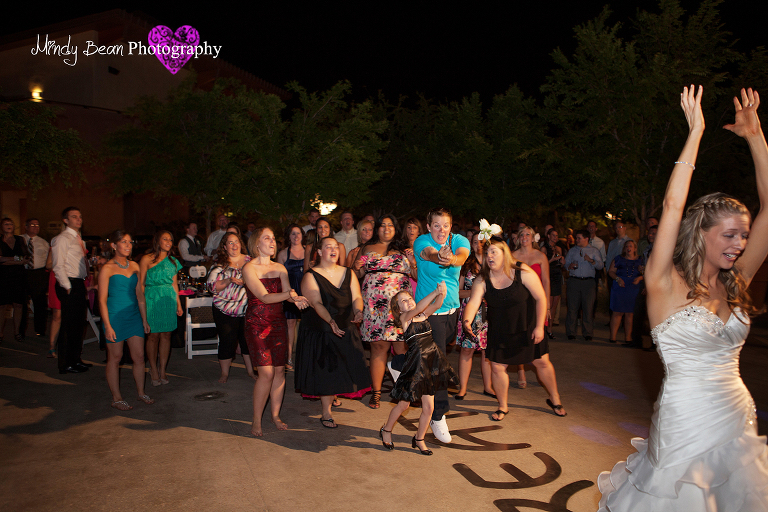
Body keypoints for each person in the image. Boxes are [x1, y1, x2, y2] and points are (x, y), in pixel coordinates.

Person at [598, 86, 768, 510]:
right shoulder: (663, 283)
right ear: (702, 234)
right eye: (730, 235)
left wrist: (756, 138)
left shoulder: (736, 281)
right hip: (685, 422)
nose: (740, 244)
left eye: (745, 235)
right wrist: (695, 133)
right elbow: (673, 205)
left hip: (737, 415)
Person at [463, 237, 566, 420]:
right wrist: (467, 321)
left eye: (494, 252)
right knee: (497, 367)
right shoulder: (482, 279)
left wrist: (540, 327)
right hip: (500, 330)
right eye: (487, 253)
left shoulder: (522, 271)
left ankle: (555, 398)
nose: (489, 256)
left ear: (505, 254)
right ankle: (502, 406)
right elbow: (473, 302)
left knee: (541, 362)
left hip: (527, 325)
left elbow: (541, 298)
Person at [294, 237, 371, 428]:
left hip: (345, 324)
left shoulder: (348, 272)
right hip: (321, 327)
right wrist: (330, 322)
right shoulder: (310, 276)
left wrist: (359, 311)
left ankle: (333, 395)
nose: (333, 250)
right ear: (320, 252)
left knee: (342, 366)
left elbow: (357, 297)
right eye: (328, 247)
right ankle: (326, 412)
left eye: (335, 247)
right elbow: (316, 302)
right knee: (327, 370)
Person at [243, 227, 309, 437]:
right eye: (267, 238)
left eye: (273, 238)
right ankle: (256, 420)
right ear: (256, 243)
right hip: (257, 324)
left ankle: (275, 415)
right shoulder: (249, 268)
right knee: (267, 373)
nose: (272, 242)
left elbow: (287, 293)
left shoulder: (280, 267)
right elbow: (264, 297)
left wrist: (296, 298)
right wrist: (289, 295)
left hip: (278, 323)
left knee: (280, 371)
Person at [412, 208, 470, 443]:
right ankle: (438, 415)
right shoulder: (421, 242)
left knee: (432, 357)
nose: (441, 230)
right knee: (439, 363)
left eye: (445, 225)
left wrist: (452, 259)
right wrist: (440, 257)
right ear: (429, 226)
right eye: (436, 225)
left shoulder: (459, 240)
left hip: (452, 311)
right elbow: (429, 255)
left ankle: (400, 365)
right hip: (429, 312)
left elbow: (462, 257)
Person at [379, 283, 458, 455]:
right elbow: (420, 306)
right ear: (398, 309)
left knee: (428, 408)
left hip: (429, 365)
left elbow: (437, 305)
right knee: (403, 404)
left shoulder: (422, 315)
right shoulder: (405, 318)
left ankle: (419, 438)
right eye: (403, 301)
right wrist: (435, 291)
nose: (408, 302)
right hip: (414, 367)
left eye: (409, 298)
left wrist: (442, 293)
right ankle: (386, 430)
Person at [356, 214, 414, 409]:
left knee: (401, 347)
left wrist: (413, 261)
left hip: (399, 305)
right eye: (382, 225)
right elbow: (358, 274)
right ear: (377, 229)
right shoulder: (366, 248)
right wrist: (356, 267)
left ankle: (404, 391)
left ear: (396, 229)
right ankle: (376, 392)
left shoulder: (405, 249)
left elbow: (415, 274)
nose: (386, 228)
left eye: (390, 225)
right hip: (374, 304)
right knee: (378, 347)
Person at [98, 230, 154, 411]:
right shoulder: (107, 268)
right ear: (114, 245)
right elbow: (102, 300)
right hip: (115, 317)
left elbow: (140, 296)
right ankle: (116, 398)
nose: (128, 245)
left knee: (139, 357)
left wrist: (144, 320)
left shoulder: (135, 266)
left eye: (130, 242)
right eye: (124, 242)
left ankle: (141, 392)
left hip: (134, 316)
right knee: (115, 358)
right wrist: (107, 325)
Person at [207, 232, 254, 383]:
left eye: (236, 242)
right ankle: (224, 373)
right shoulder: (220, 263)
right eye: (230, 243)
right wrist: (229, 280)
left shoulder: (250, 261)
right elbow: (211, 287)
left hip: (247, 308)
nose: (234, 245)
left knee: (247, 340)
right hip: (224, 309)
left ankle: (251, 371)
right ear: (225, 247)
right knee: (227, 340)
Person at [139, 231, 183, 386]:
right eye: (165, 239)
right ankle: (153, 368)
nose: (168, 242)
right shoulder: (146, 259)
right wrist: (142, 304)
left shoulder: (173, 261)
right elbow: (141, 284)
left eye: (170, 239)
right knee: (153, 335)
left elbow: (174, 284)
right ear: (157, 241)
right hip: (152, 298)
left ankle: (162, 369)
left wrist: (178, 304)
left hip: (168, 299)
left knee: (166, 335)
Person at [454, 231, 494, 399]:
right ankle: (463, 388)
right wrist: (476, 292)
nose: (479, 245)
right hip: (469, 311)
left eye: (482, 241)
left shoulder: (493, 262)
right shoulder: (466, 264)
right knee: (466, 350)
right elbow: (458, 291)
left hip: (489, 311)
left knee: (487, 351)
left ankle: (488, 386)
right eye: (476, 242)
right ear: (471, 244)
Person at [512, 226, 552, 389]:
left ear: (533, 237)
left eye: (527, 234)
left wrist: (547, 305)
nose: (524, 237)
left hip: (537, 302)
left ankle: (541, 367)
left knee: (537, 336)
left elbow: (546, 281)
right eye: (521, 234)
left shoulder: (541, 256)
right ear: (518, 238)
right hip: (519, 302)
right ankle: (520, 370)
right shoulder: (512, 256)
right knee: (520, 336)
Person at [51, 207, 90, 374]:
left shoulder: (78, 239)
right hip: (69, 283)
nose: (78, 219)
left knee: (78, 324)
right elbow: (58, 265)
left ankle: (75, 359)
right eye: (74, 217)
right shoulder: (62, 239)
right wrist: (67, 287)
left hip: (79, 282)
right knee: (68, 325)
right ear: (66, 220)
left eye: (80, 216)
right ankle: (66, 363)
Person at [563, 230, 604, 340]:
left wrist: (591, 261)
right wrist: (568, 266)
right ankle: (571, 332)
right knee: (572, 308)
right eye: (576, 238)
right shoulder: (572, 251)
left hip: (588, 283)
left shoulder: (594, 251)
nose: (576, 240)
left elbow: (600, 265)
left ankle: (588, 333)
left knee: (588, 308)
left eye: (579, 238)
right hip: (574, 281)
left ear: (586, 239)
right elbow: (566, 264)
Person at [277, 224, 305, 371]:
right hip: (291, 291)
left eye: (298, 233)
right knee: (290, 324)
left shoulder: (309, 251)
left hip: (306, 290)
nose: (296, 236)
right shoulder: (283, 254)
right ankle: (288, 358)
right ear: (288, 236)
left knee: (307, 323)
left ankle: (306, 357)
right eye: (293, 233)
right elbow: (278, 277)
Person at [607, 240, 643, 344]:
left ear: (635, 248)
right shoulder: (618, 258)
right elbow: (611, 271)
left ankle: (628, 338)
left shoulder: (640, 260)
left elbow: (647, 273)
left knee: (630, 313)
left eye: (631, 246)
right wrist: (617, 279)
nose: (628, 248)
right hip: (620, 286)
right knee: (617, 312)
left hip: (633, 287)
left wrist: (640, 277)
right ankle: (613, 337)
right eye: (627, 246)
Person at [0, 218, 30, 342]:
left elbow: (26, 258)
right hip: (3, 276)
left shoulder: (20, 239)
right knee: (2, 305)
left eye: (11, 224)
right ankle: (0, 333)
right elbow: (0, 259)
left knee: (18, 304)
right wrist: (17, 260)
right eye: (6, 224)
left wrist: (8, 259)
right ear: (1, 226)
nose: (9, 226)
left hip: (19, 276)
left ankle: (17, 332)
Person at [20, 218, 49, 339]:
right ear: (26, 226)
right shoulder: (20, 239)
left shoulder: (43, 242)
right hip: (23, 272)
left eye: (37, 225)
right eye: (32, 225)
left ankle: (40, 329)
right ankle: (20, 331)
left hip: (39, 273)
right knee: (21, 303)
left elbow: (48, 259)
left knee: (40, 303)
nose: (36, 227)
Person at [540, 227, 564, 329]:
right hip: (548, 276)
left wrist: (562, 262)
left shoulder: (558, 248)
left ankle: (550, 329)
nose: (555, 237)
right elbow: (542, 265)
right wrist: (552, 260)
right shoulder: (544, 249)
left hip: (557, 275)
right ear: (549, 236)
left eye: (557, 235)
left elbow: (560, 264)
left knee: (555, 305)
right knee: (547, 305)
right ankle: (544, 327)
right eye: (553, 235)